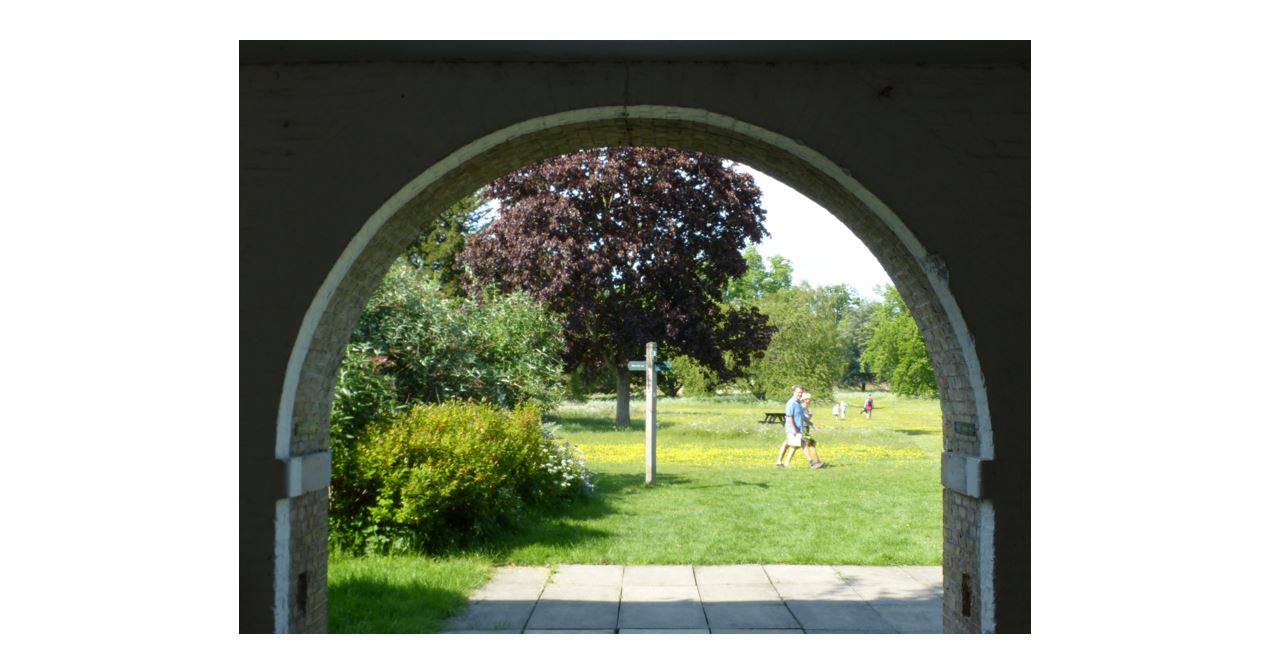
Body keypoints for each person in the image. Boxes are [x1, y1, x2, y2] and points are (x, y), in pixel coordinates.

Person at [776, 386, 805, 467]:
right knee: (791, 444)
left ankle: (780, 462)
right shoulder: (791, 402)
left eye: (801, 392)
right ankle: (780, 462)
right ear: (794, 392)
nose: (800, 394)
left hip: (798, 428)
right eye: (798, 392)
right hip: (792, 428)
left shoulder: (798, 402)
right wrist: (793, 429)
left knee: (788, 444)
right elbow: (789, 416)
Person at [798, 392, 827, 468]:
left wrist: (810, 416)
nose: (810, 400)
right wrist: (813, 425)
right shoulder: (802, 407)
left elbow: (806, 419)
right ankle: (815, 462)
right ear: (804, 400)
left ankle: (817, 462)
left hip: (806, 428)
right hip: (803, 428)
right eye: (808, 399)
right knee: (810, 443)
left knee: (811, 444)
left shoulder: (806, 408)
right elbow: (803, 419)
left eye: (810, 399)